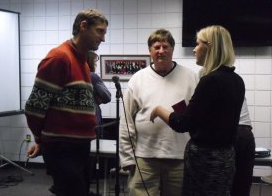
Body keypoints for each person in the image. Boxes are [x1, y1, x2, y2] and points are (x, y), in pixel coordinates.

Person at [150, 25, 245, 195]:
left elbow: (182, 124)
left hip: (206, 159)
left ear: (209, 47)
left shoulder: (210, 81)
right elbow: (211, 120)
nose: (194, 50)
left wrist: (158, 110)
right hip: (226, 157)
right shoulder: (237, 80)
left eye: (198, 44)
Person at [25, 9, 108, 196]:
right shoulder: (60, 58)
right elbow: (34, 108)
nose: (103, 39)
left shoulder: (83, 62)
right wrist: (41, 139)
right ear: (83, 26)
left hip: (79, 146)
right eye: (100, 31)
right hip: (62, 148)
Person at [119, 29, 198, 196]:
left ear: (172, 50)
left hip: (180, 156)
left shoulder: (190, 78)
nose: (161, 51)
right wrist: (127, 156)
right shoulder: (138, 79)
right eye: (156, 47)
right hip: (144, 157)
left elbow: (198, 119)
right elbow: (126, 121)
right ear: (150, 51)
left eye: (165, 46)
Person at [231, 98, 255, 196]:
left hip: (229, 132)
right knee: (243, 183)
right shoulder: (238, 83)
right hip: (246, 133)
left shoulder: (208, 84)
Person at [87, 51, 111, 135]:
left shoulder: (76, 74)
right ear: (90, 62)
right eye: (95, 61)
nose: (96, 64)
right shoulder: (93, 76)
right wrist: (97, 99)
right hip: (93, 117)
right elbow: (107, 97)